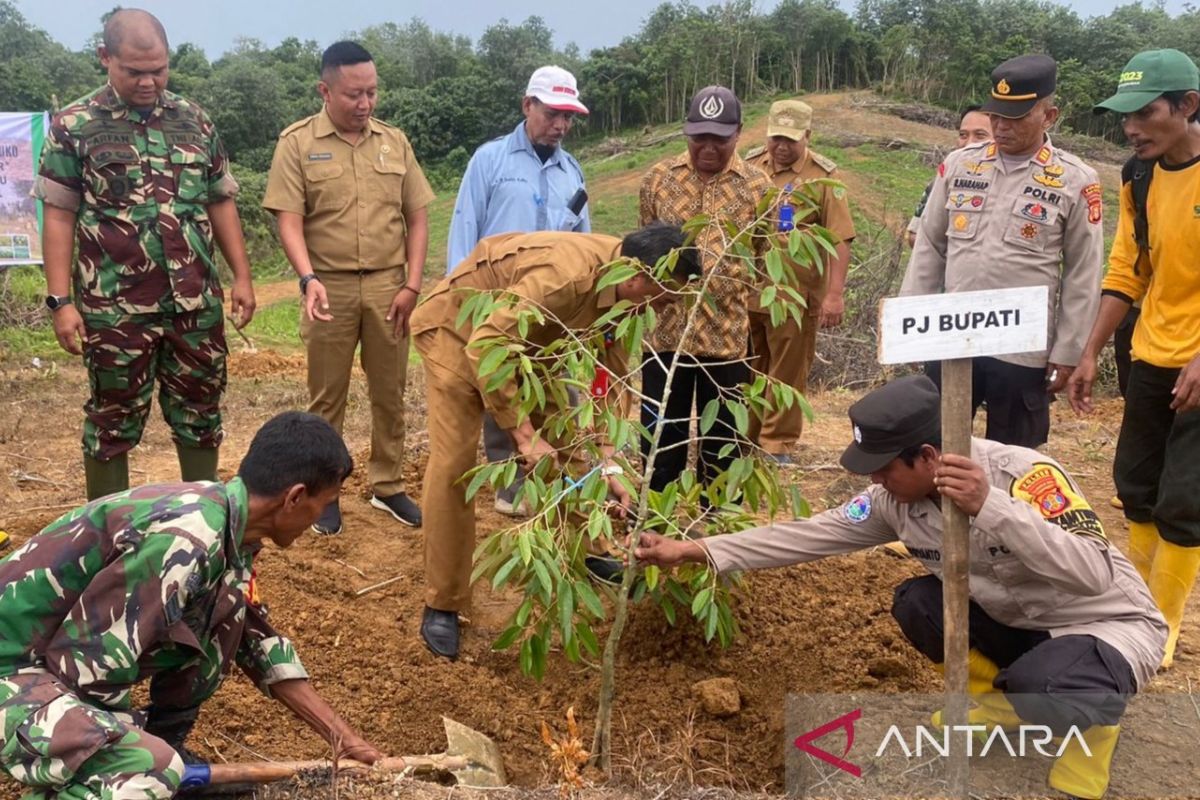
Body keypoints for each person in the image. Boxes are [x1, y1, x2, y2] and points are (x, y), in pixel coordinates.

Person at [636, 375, 1166, 800]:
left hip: (1104, 626)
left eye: (884, 468)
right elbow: (809, 534)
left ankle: (1091, 728)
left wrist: (994, 510)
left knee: (1045, 686)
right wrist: (697, 550)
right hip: (1016, 623)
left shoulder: (1024, 476)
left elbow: (1094, 573)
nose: (875, 482)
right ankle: (1001, 704)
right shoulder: (894, 501)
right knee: (917, 604)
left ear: (930, 456)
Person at [0, 412, 382, 800]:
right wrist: (131, 755)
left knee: (227, 619)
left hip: (41, 669)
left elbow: (257, 643)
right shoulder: (187, 539)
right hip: (13, 673)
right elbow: (86, 670)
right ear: (295, 497)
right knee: (149, 772)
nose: (321, 519)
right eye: (326, 504)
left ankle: (159, 747)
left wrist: (344, 738)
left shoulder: (231, 528)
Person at [409, 224, 694, 659]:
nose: (668, 307)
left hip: (534, 347)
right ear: (639, 277)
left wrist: (609, 461)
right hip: (459, 333)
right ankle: (443, 601)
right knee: (454, 466)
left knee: (568, 445)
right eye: (667, 296)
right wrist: (524, 438)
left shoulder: (632, 294)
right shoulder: (566, 274)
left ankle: (587, 550)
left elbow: (610, 376)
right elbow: (487, 344)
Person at [34, 8, 256, 501]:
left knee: (200, 414)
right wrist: (60, 301)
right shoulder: (76, 125)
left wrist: (242, 276)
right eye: (135, 71)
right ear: (104, 58)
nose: (149, 81)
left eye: (158, 69)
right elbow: (59, 215)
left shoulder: (194, 120)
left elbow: (220, 199)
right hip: (115, 309)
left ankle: (199, 526)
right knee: (112, 424)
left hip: (195, 304)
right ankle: (107, 535)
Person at [264, 41, 433, 535]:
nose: (365, 104)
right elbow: (289, 221)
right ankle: (324, 490)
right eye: (354, 94)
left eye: (372, 93)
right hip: (328, 288)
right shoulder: (296, 143)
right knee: (326, 397)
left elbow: (418, 217)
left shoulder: (394, 142)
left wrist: (413, 284)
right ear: (325, 89)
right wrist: (307, 277)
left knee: (391, 392)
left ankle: (388, 484)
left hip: (388, 288)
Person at [1069, 48, 1200, 670]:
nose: (1131, 127)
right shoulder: (1136, 176)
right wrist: (1090, 350)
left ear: (1188, 106)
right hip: (1150, 351)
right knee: (1135, 488)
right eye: (1124, 116)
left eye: (1145, 113)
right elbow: (1128, 269)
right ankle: (1144, 607)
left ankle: (1164, 623)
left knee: (1185, 500)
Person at [903, 54, 1104, 448]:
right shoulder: (960, 165)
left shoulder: (1075, 179)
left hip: (1021, 348)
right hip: (952, 335)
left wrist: (1068, 350)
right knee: (934, 444)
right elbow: (930, 245)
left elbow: (1083, 271)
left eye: (1016, 117)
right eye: (996, 115)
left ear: (1049, 116)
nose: (1000, 127)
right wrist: (913, 322)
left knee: (1015, 455)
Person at [447, 65, 590, 517]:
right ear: (528, 105)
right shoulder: (490, 161)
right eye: (552, 114)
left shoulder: (572, 171)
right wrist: (461, 296)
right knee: (500, 388)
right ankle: (507, 481)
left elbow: (585, 243)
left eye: (568, 117)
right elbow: (465, 226)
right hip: (498, 299)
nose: (561, 125)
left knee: (555, 389)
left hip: (554, 306)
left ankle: (556, 479)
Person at [638, 86, 773, 493]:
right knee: (660, 442)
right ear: (687, 134)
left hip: (727, 340)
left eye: (720, 137)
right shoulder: (658, 180)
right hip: (664, 339)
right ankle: (655, 529)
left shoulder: (758, 187)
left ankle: (715, 535)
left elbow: (767, 254)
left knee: (723, 446)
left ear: (739, 133)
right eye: (700, 137)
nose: (709, 147)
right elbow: (645, 253)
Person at [744, 99, 856, 463]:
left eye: (791, 139)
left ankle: (777, 444)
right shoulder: (748, 167)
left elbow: (839, 238)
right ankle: (745, 438)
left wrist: (834, 295)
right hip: (748, 292)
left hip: (795, 295)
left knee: (787, 373)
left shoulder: (824, 178)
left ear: (807, 135)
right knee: (747, 368)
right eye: (776, 137)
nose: (781, 146)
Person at [905, 106, 993, 247]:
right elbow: (914, 236)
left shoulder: (1007, 184)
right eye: (963, 135)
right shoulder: (941, 181)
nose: (969, 143)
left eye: (980, 135)